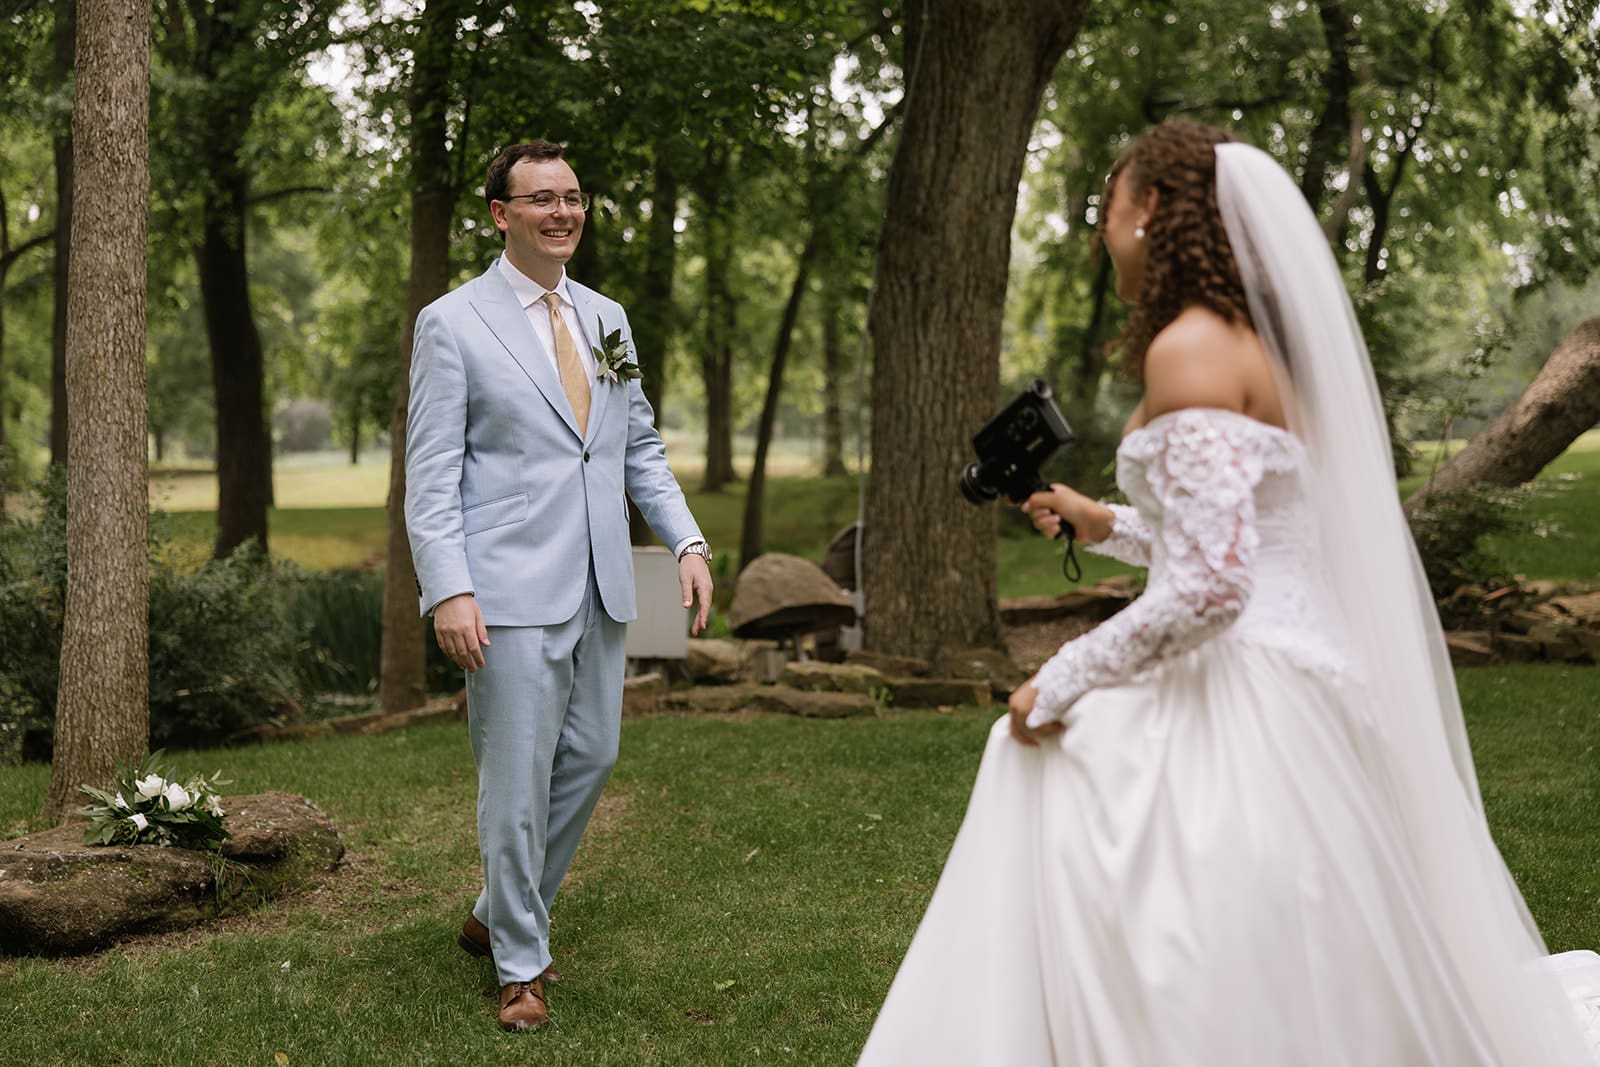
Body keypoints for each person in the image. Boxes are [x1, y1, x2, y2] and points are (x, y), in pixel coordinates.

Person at [858, 120, 1600, 1065]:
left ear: (1154, 212)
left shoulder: (1192, 349)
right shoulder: (1257, 346)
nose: (1100, 233)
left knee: (1029, 755)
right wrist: (1104, 521)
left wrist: (1064, 675)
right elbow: (1240, 541)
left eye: (1109, 210)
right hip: (1305, 670)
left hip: (1246, 688)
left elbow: (1212, 584)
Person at [405, 139, 714, 1032]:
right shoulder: (452, 322)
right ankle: (521, 968)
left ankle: (496, 906)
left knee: (592, 755)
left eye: (574, 197)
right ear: (501, 214)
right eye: (542, 198)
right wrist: (448, 589)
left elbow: (638, 448)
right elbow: (431, 477)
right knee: (514, 778)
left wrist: (686, 540)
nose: (563, 212)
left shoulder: (607, 317)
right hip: (501, 588)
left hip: (599, 584)